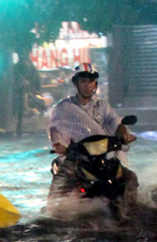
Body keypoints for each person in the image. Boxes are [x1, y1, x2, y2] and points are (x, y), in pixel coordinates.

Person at [47, 62, 138, 207]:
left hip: (102, 155)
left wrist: (124, 133)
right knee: (63, 179)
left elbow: (116, 122)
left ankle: (133, 207)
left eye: (92, 81)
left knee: (130, 177)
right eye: (84, 81)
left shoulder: (102, 105)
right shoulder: (63, 107)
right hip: (77, 156)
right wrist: (58, 145)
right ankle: (53, 210)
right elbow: (54, 129)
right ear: (76, 83)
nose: (88, 85)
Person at [12, 57, 41, 135]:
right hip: (20, 93)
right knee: (19, 112)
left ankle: (21, 128)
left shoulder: (30, 68)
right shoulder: (18, 68)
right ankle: (19, 128)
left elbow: (36, 82)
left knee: (21, 112)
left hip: (26, 93)